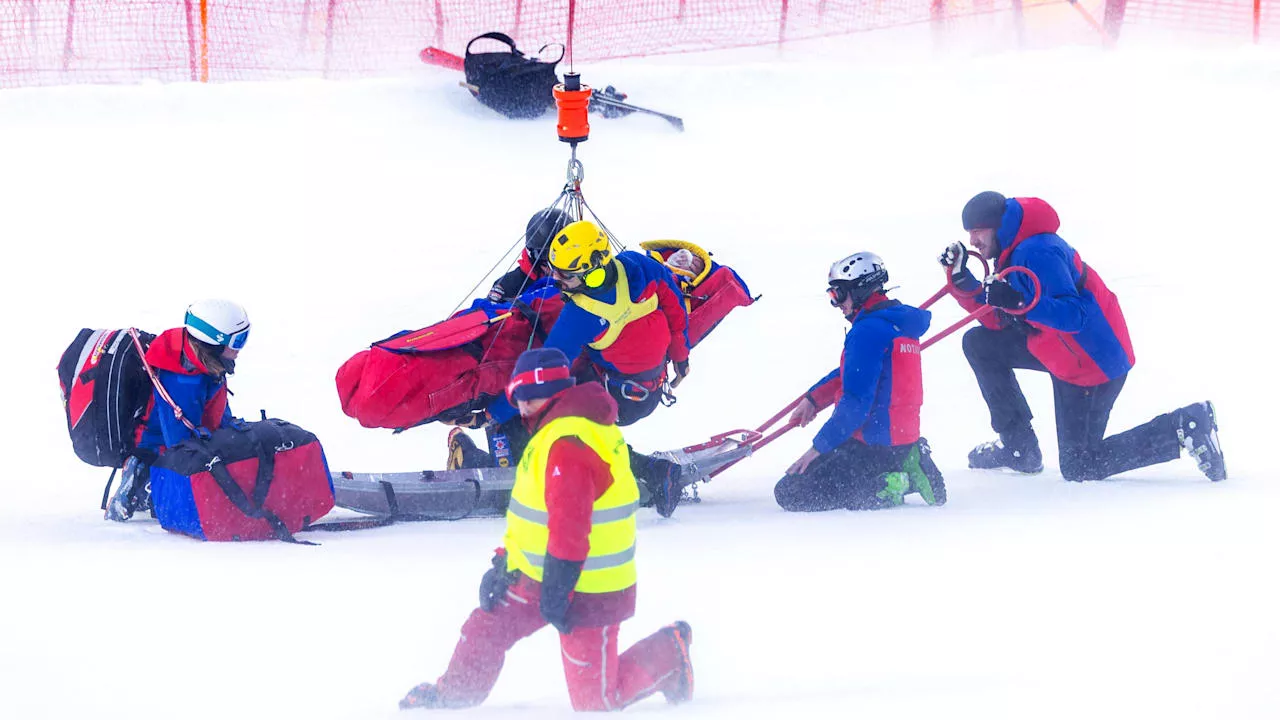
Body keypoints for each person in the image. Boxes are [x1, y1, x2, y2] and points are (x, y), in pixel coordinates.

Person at [401, 348, 694, 712]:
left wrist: (557, 588)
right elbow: (533, 514)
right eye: (519, 399)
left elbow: (570, 525)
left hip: (590, 587)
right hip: (541, 572)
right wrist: (503, 562)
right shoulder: (553, 431)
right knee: (486, 630)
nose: (523, 408)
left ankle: (670, 653)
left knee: (595, 703)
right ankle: (451, 701)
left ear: (556, 391)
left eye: (530, 398)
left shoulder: (567, 441)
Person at [940, 191, 1225, 481]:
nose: (974, 241)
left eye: (979, 232)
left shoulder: (1038, 252)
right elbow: (1000, 319)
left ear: (998, 228)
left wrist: (1019, 303)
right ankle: (1019, 448)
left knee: (1080, 465)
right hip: (1057, 351)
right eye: (970, 234)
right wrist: (963, 280)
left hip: (1091, 362)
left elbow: (1074, 315)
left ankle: (1185, 424)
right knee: (980, 343)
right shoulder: (1011, 252)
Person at [453, 220, 691, 515]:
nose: (557, 279)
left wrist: (489, 415)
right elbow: (675, 305)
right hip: (648, 387)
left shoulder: (582, 314)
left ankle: (652, 470)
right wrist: (681, 356)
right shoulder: (638, 265)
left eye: (564, 275)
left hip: (617, 398)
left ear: (592, 272)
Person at [775, 253, 947, 511]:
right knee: (814, 475)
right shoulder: (897, 323)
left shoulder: (867, 331)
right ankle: (909, 458)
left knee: (790, 491)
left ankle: (893, 483)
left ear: (861, 289)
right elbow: (855, 373)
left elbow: (855, 403)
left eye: (839, 294)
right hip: (899, 438)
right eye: (833, 296)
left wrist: (816, 449)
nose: (837, 304)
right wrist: (814, 399)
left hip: (872, 444)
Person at [105, 299, 251, 521]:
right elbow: (180, 444)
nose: (242, 347)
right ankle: (142, 479)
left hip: (183, 437)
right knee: (188, 492)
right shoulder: (183, 380)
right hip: (157, 448)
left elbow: (216, 410)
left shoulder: (205, 363)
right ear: (214, 342)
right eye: (238, 340)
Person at [486, 207, 573, 302]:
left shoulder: (581, 278)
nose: (554, 268)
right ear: (532, 254)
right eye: (546, 258)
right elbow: (492, 311)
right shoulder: (508, 285)